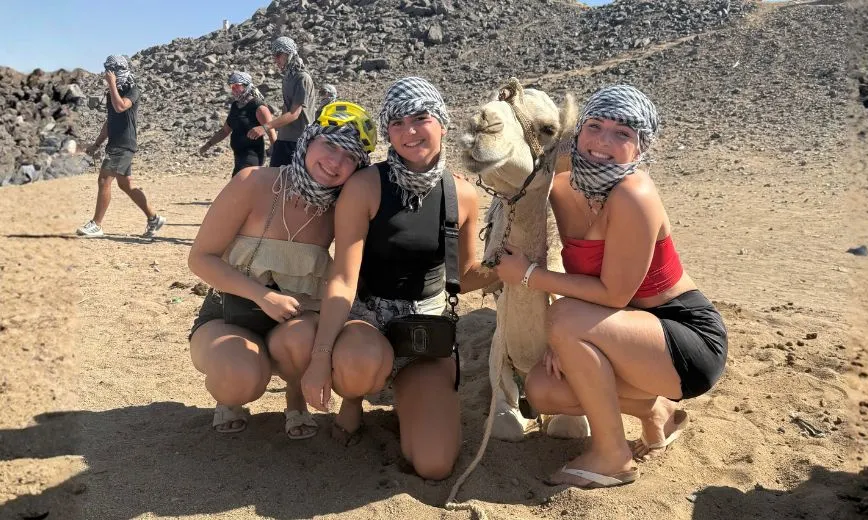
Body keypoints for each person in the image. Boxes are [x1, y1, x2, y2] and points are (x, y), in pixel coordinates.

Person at [493, 85, 728, 488]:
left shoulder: (634, 195)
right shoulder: (564, 177)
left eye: (623, 134)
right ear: (579, 131)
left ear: (641, 147)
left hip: (683, 338)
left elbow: (615, 295)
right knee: (543, 388)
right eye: (595, 127)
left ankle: (612, 456)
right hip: (623, 328)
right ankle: (657, 414)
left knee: (563, 316)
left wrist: (530, 276)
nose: (603, 142)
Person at [301, 77, 495, 480]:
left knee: (435, 464)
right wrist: (321, 358)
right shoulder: (366, 185)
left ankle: (410, 397)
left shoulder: (463, 194)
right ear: (388, 131)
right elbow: (343, 276)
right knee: (359, 364)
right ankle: (353, 399)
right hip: (367, 322)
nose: (409, 131)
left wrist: (512, 270)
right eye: (396, 122)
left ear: (441, 122)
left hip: (425, 330)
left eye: (420, 118)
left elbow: (464, 275)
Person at [187, 102, 376, 439]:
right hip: (229, 314)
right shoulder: (254, 182)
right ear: (309, 139)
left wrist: (444, 176)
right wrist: (263, 296)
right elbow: (201, 258)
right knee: (237, 379)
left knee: (304, 339)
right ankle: (231, 397)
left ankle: (295, 396)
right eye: (329, 145)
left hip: (296, 319)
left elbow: (391, 189)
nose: (335, 162)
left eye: (350, 157)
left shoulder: (344, 207)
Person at [78, 55, 165, 238]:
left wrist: (111, 84)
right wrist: (96, 144)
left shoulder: (132, 89)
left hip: (124, 143)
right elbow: (110, 121)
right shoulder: (113, 92)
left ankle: (97, 224)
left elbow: (120, 107)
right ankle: (154, 218)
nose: (108, 73)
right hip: (115, 142)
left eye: (111, 70)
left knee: (104, 180)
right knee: (126, 185)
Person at [247, 37, 317, 167]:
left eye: (278, 55)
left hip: (299, 141)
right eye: (274, 56)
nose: (275, 60)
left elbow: (294, 113)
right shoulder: (287, 78)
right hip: (284, 139)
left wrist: (265, 127)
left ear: (289, 53)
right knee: (274, 183)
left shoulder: (302, 78)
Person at [199, 71, 277, 176]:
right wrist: (208, 145)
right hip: (239, 157)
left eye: (237, 86)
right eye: (232, 86)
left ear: (246, 86)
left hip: (252, 157)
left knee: (238, 188)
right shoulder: (236, 106)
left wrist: (277, 157)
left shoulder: (258, 106)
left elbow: (271, 132)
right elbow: (225, 130)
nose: (234, 89)